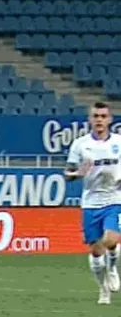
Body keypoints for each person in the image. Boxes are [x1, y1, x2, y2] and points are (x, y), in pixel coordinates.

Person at [65, 101, 121, 305]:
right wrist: (77, 173)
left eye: (103, 116)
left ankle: (112, 267)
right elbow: (68, 173)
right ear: (90, 119)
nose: (99, 120)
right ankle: (103, 289)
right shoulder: (80, 144)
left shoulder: (119, 142)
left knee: (111, 240)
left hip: (115, 199)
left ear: (110, 120)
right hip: (91, 203)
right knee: (96, 251)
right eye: (96, 116)